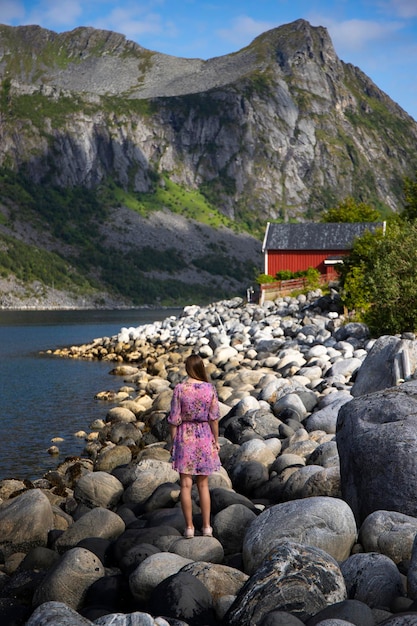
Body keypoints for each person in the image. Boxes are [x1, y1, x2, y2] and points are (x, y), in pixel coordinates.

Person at [168, 353, 221, 538]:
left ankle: (189, 528)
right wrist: (216, 440)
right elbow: (214, 418)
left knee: (185, 485)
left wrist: (174, 443)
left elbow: (174, 419)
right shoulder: (209, 388)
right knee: (204, 485)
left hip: (185, 437)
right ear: (200, 368)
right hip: (205, 435)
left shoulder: (180, 389)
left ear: (187, 368)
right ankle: (207, 527)